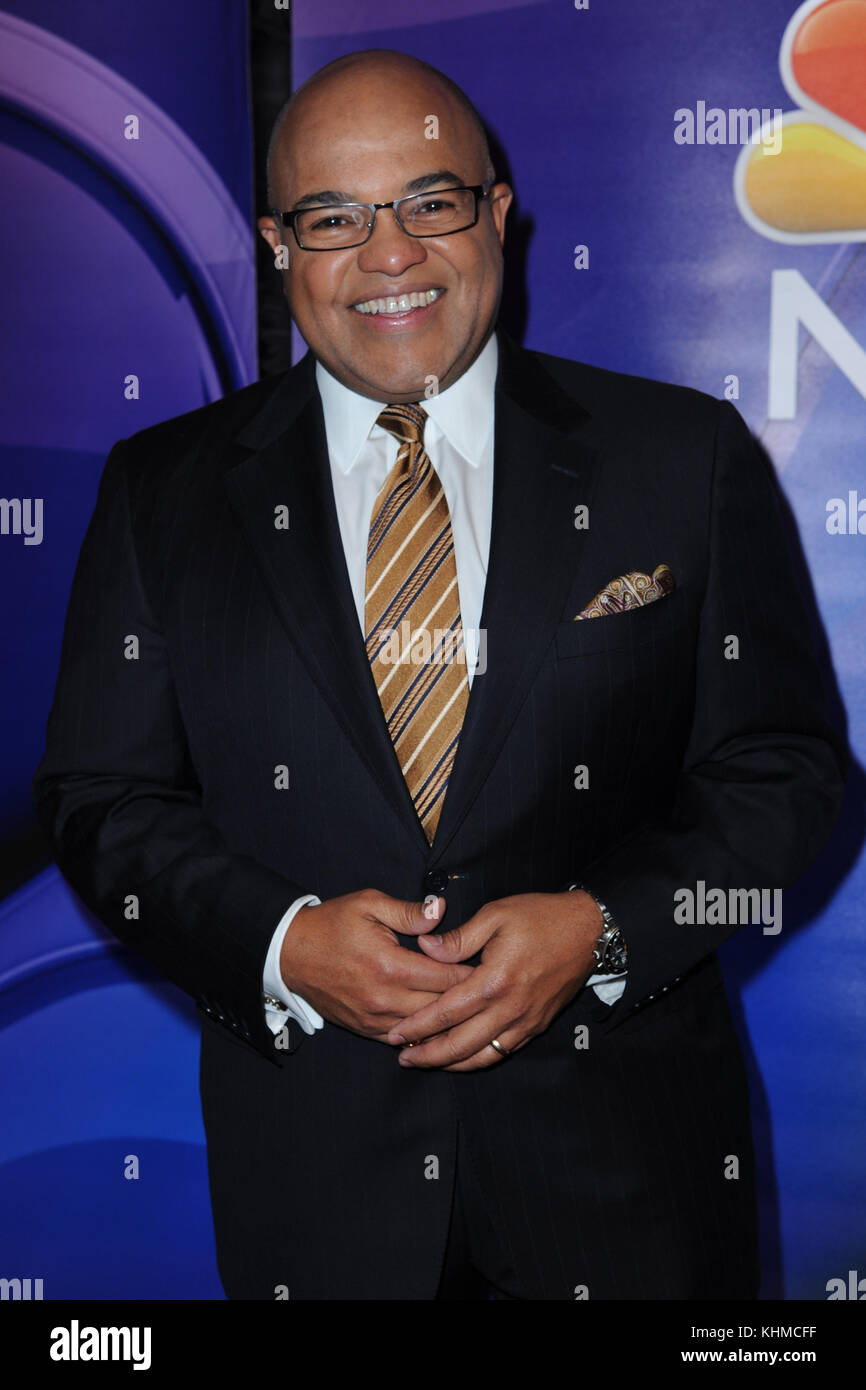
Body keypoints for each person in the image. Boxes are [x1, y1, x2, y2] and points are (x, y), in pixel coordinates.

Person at [33, 48, 846, 1301]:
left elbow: (783, 772)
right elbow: (101, 798)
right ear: (277, 247)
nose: (389, 254)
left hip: (630, 1189)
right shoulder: (161, 491)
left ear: (496, 213)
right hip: (318, 1194)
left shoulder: (678, 456)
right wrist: (285, 943)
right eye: (333, 218)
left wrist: (604, 924)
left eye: (428, 201)